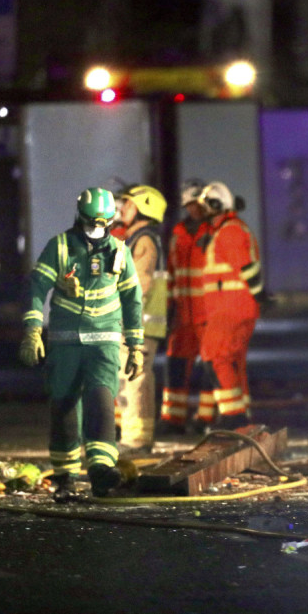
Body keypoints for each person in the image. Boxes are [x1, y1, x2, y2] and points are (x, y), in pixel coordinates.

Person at [19, 187, 144, 500]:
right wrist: (33, 328)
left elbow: (132, 298)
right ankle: (65, 476)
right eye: (91, 222)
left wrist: (135, 344)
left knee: (101, 401)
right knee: (63, 406)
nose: (96, 229)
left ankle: (102, 469)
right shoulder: (60, 247)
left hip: (104, 342)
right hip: (66, 343)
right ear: (80, 217)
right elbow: (36, 286)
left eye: (102, 223)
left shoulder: (119, 250)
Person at [198, 180, 263, 430]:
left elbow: (245, 268)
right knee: (233, 361)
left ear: (217, 206)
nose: (204, 214)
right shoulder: (229, 230)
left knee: (215, 356)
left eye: (207, 208)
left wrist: (260, 295)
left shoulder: (230, 231)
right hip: (233, 307)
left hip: (231, 308)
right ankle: (241, 415)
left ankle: (233, 415)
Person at [114, 184, 168, 451]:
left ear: (143, 209)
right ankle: (137, 437)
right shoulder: (136, 238)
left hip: (138, 324)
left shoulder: (143, 240)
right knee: (134, 378)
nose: (122, 208)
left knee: (133, 378)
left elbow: (139, 284)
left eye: (128, 204)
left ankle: (135, 440)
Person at [158, 180, 213, 434]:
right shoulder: (179, 232)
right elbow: (171, 270)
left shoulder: (213, 230)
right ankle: (173, 418)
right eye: (190, 205)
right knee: (176, 365)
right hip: (182, 314)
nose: (193, 210)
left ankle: (205, 418)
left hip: (207, 312)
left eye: (197, 205)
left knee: (210, 367)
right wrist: (166, 307)